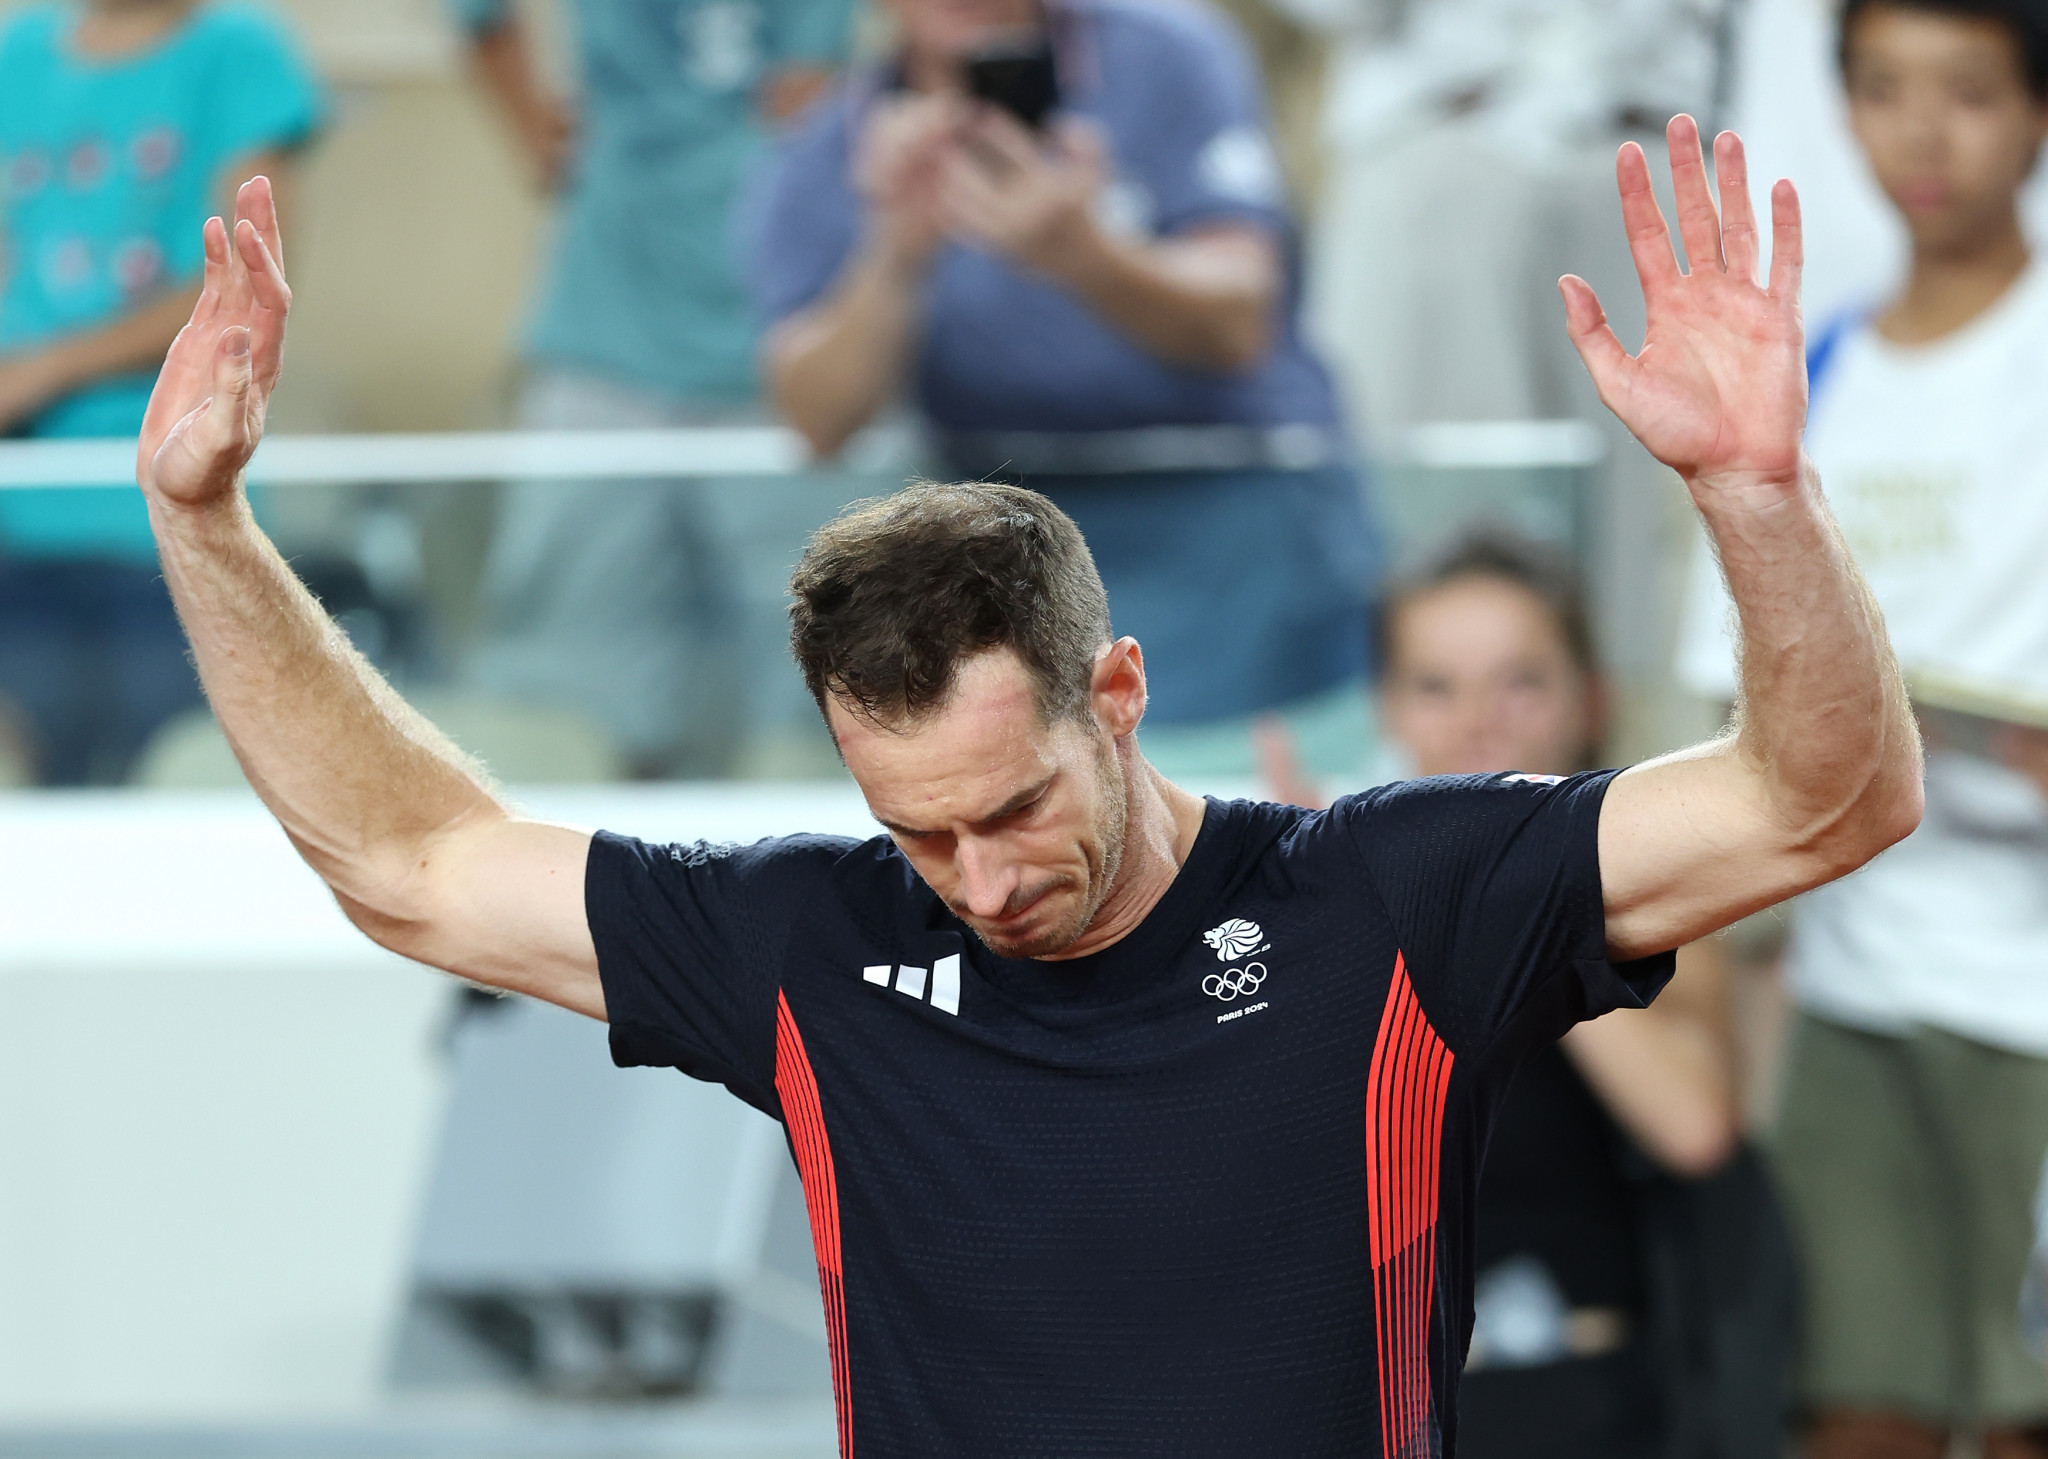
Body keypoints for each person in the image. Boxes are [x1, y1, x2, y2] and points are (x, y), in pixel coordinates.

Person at [137, 114, 1919, 1456]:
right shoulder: (804, 940)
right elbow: (410, 856)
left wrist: (1756, 496)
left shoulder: (1387, 895)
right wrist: (204, 522)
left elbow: (1820, 799)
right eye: (915, 827)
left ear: (1118, 691)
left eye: (1010, 805)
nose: (976, 879)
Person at [1676, 1, 2048, 1453]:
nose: (1922, 132)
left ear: (2034, 112)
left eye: (1967, 90)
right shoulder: (1818, 364)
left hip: (2033, 986)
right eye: (1884, 88)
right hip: (1858, 971)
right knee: (1855, 1398)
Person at [742, 0, 1383, 774]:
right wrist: (897, 248)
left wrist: (1084, 253)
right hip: (1017, 597)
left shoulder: (1167, 55)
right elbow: (814, 414)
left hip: (1244, 568)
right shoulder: (835, 146)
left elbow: (1242, 317)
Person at [1263, 530, 1790, 1459]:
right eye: (1436, 686)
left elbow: (1695, 1125)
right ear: (1388, 705)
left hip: (1584, 1400)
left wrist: (1517, 894)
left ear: (1591, 699)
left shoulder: (1655, 909)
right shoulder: (1345, 896)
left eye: (1520, 682)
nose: (1479, 721)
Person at [449, 0, 858, 776]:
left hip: (781, 348)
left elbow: (805, 94)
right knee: (565, 690)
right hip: (608, 333)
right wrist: (537, 130)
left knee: (823, 692)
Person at [0, 0, 319, 783]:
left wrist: (43, 370)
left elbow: (247, 281)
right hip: (25, 517)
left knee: (174, 784)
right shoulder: (22, 54)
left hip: (173, 517)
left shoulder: (239, 50)